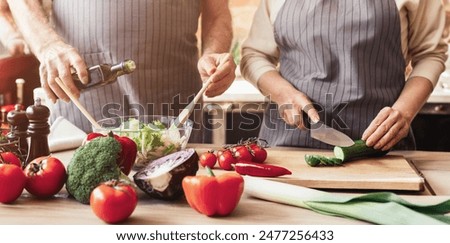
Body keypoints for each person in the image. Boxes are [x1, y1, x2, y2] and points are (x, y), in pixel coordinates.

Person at [7, 0, 236, 143]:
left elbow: (217, 13)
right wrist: (47, 45)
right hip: (80, 105)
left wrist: (212, 54)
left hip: (173, 107)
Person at [240, 0, 448, 151]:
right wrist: (281, 92)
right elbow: (254, 55)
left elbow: (430, 55)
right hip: (286, 148)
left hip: (382, 150)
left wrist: (404, 111)